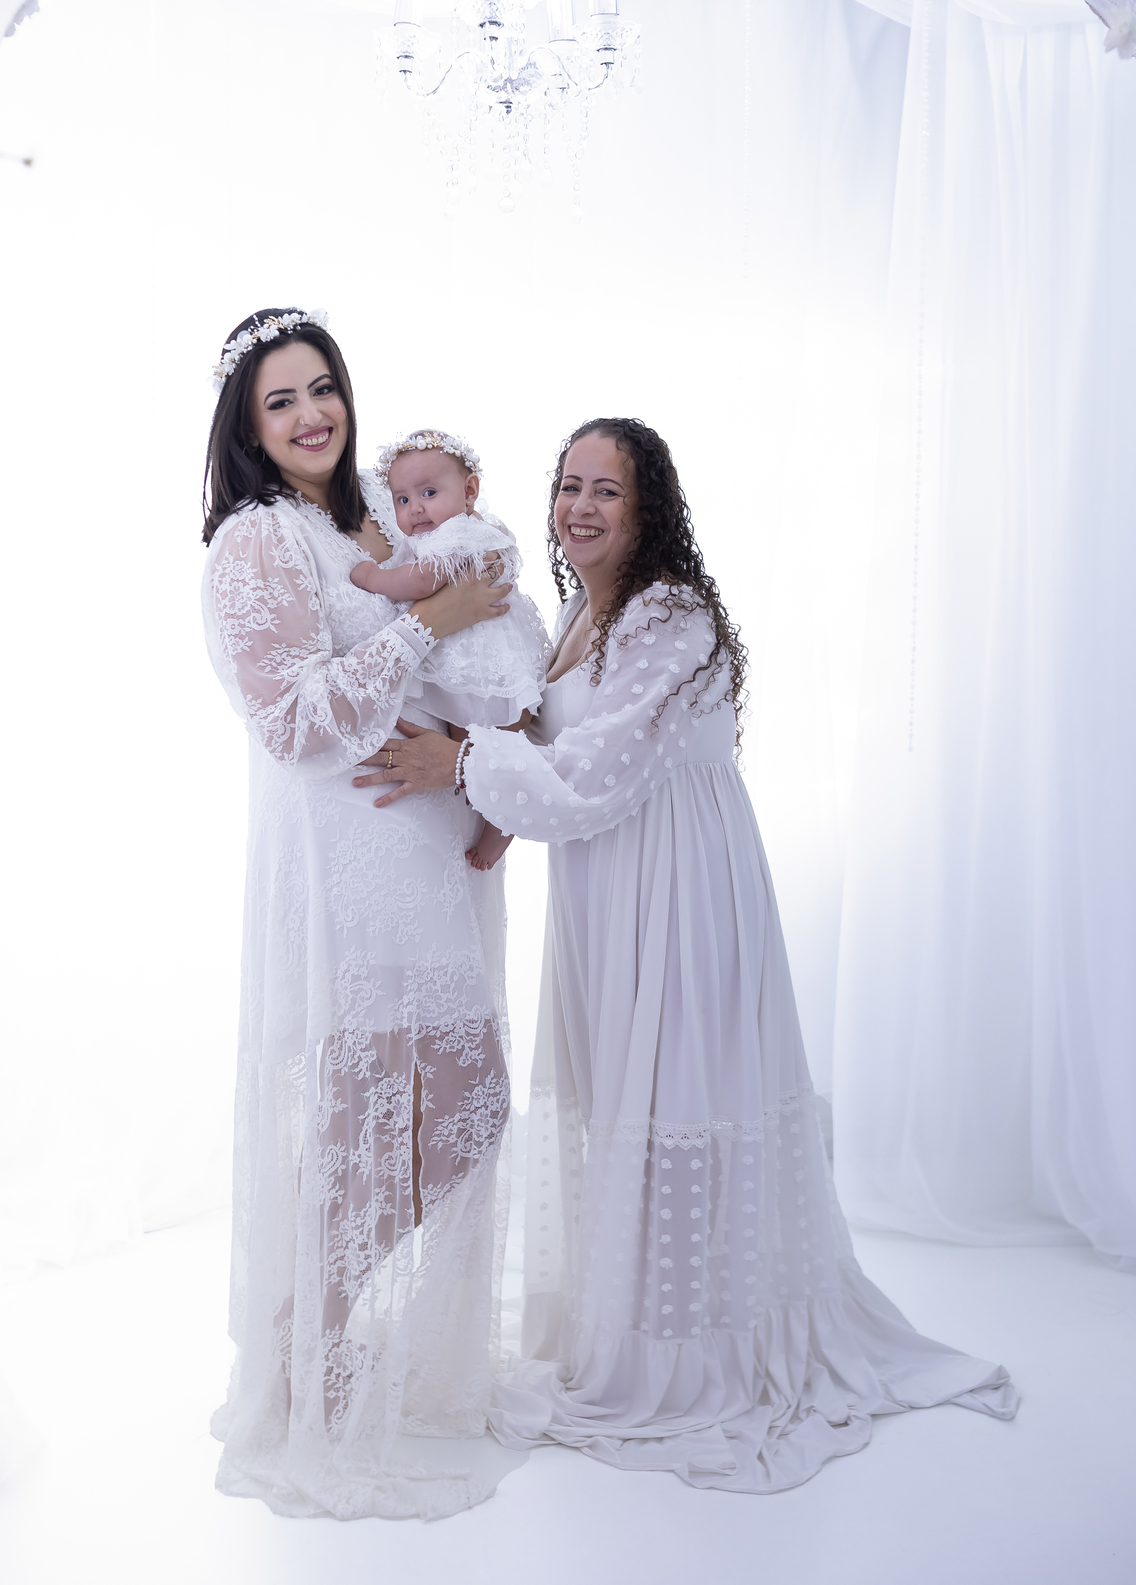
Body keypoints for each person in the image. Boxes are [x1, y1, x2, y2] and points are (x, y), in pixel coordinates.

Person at [355, 414, 1018, 1493]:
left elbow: (595, 777)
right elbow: (545, 744)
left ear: (649, 506)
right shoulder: (577, 613)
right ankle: (630, 1320)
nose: (579, 506)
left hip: (675, 889)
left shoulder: (669, 618)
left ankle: (693, 1346)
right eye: (568, 485)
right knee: (625, 1098)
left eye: (606, 490)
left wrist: (462, 760)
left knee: (679, 1098)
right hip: (607, 888)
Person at [200, 308, 516, 1521]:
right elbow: (289, 723)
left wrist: (482, 762)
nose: (311, 416)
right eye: (281, 402)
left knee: (456, 1104)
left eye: (322, 388)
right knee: (377, 1115)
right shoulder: (255, 544)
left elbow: (445, 664)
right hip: (348, 865)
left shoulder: (363, 526)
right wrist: (428, 627)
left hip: (420, 858)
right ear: (247, 426)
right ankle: (304, 1342)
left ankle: (311, 1331)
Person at [350, 428, 550, 872]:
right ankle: (493, 817)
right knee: (474, 741)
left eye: (428, 492)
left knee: (491, 745)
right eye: (402, 499)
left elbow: (424, 581)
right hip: (474, 660)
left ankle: (501, 826)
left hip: (486, 663)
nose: (415, 508)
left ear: (470, 490)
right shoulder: (451, 529)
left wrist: (373, 578)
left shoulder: (459, 533)